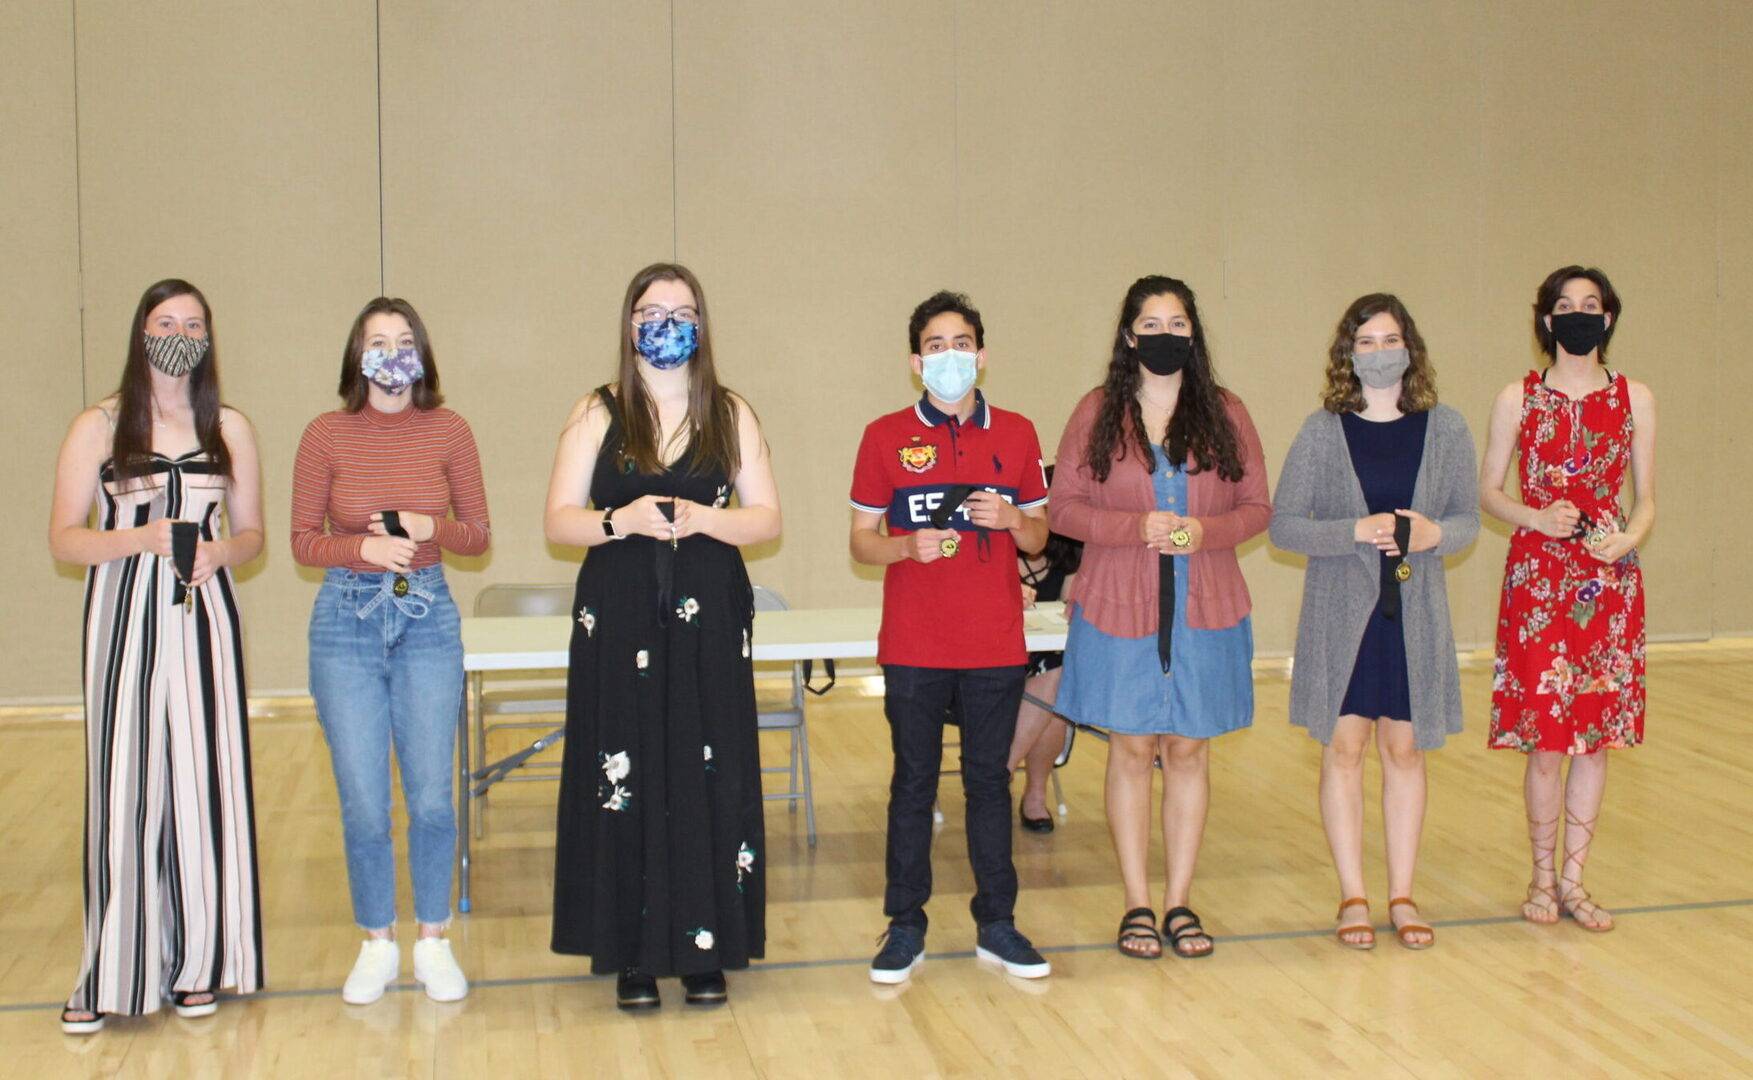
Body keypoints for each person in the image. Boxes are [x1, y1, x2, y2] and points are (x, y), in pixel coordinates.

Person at [546, 263, 780, 1010]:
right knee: (627, 772)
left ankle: (706, 949)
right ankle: (634, 954)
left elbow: (766, 518)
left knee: (709, 772)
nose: (666, 324)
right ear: (630, 323)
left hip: (709, 620)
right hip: (620, 618)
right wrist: (619, 521)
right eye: (652, 311)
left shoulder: (731, 412)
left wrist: (706, 517)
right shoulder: (595, 410)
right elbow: (558, 520)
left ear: (701, 325)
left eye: (681, 312)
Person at [48, 279, 265, 1033]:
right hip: (122, 616)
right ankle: (113, 970)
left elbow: (252, 534)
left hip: (206, 615)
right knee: (124, 789)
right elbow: (64, 538)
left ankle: (202, 964)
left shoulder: (229, 426)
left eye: (193, 323)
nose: (180, 335)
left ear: (208, 336)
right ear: (142, 333)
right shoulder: (99, 425)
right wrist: (137, 537)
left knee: (208, 784)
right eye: (166, 322)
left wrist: (220, 552)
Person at [1049, 275, 1269, 961]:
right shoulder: (1096, 411)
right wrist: (1131, 526)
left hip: (1205, 602)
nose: (1164, 336)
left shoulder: (1227, 412)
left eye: (1177, 324)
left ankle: (1179, 901)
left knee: (1187, 749)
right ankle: (1136, 903)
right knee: (1131, 747)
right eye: (1151, 324)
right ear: (1128, 335)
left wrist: (1205, 532)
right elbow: (1062, 509)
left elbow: (1258, 508)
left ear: (1193, 334)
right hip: (1119, 602)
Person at [851, 290, 1053, 984]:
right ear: (916, 362)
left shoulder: (1018, 433)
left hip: (994, 644)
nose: (949, 356)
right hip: (913, 644)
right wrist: (904, 547)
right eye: (934, 346)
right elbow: (861, 540)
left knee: (987, 783)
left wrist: (1013, 520)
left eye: (960, 343)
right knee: (913, 783)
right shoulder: (884, 436)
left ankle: (997, 924)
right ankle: (905, 924)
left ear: (982, 355)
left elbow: (1040, 537)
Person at [292, 297, 489, 1004]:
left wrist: (427, 525)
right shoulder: (325, 433)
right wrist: (364, 548)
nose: (392, 354)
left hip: (426, 617)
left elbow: (477, 536)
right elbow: (302, 540)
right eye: (378, 342)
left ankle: (432, 939)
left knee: (432, 795)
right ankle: (376, 941)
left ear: (422, 354)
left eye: (404, 341)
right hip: (344, 622)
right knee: (364, 802)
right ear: (357, 356)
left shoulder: (449, 429)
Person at [1270, 293, 1479, 950]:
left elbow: (1467, 520)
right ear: (1348, 354)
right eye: (1366, 342)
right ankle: (1353, 895)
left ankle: (1403, 895)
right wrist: (1352, 531)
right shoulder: (1320, 431)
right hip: (1343, 618)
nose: (1380, 352)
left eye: (1390, 340)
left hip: (1413, 617)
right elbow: (1284, 525)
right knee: (1344, 748)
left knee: (1405, 750)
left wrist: (1434, 534)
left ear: (1409, 349)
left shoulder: (1446, 429)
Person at [1480, 265, 1655, 932]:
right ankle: (1541, 877)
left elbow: (1646, 499)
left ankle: (1576, 882)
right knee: (1546, 742)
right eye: (1564, 304)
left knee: (1593, 739)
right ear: (1547, 319)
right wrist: (1533, 517)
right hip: (1539, 580)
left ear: (1606, 318)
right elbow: (1488, 491)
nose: (1578, 314)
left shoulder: (1635, 397)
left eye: (1590, 304)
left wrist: (1628, 537)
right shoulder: (1516, 397)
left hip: (1607, 581)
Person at [1010, 472, 1082, 834]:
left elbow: (1070, 608)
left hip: (1045, 662)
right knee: (1058, 689)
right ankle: (1031, 793)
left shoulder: (1071, 552)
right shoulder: (995, 543)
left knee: (1058, 676)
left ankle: (1005, 774)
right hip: (994, 661)